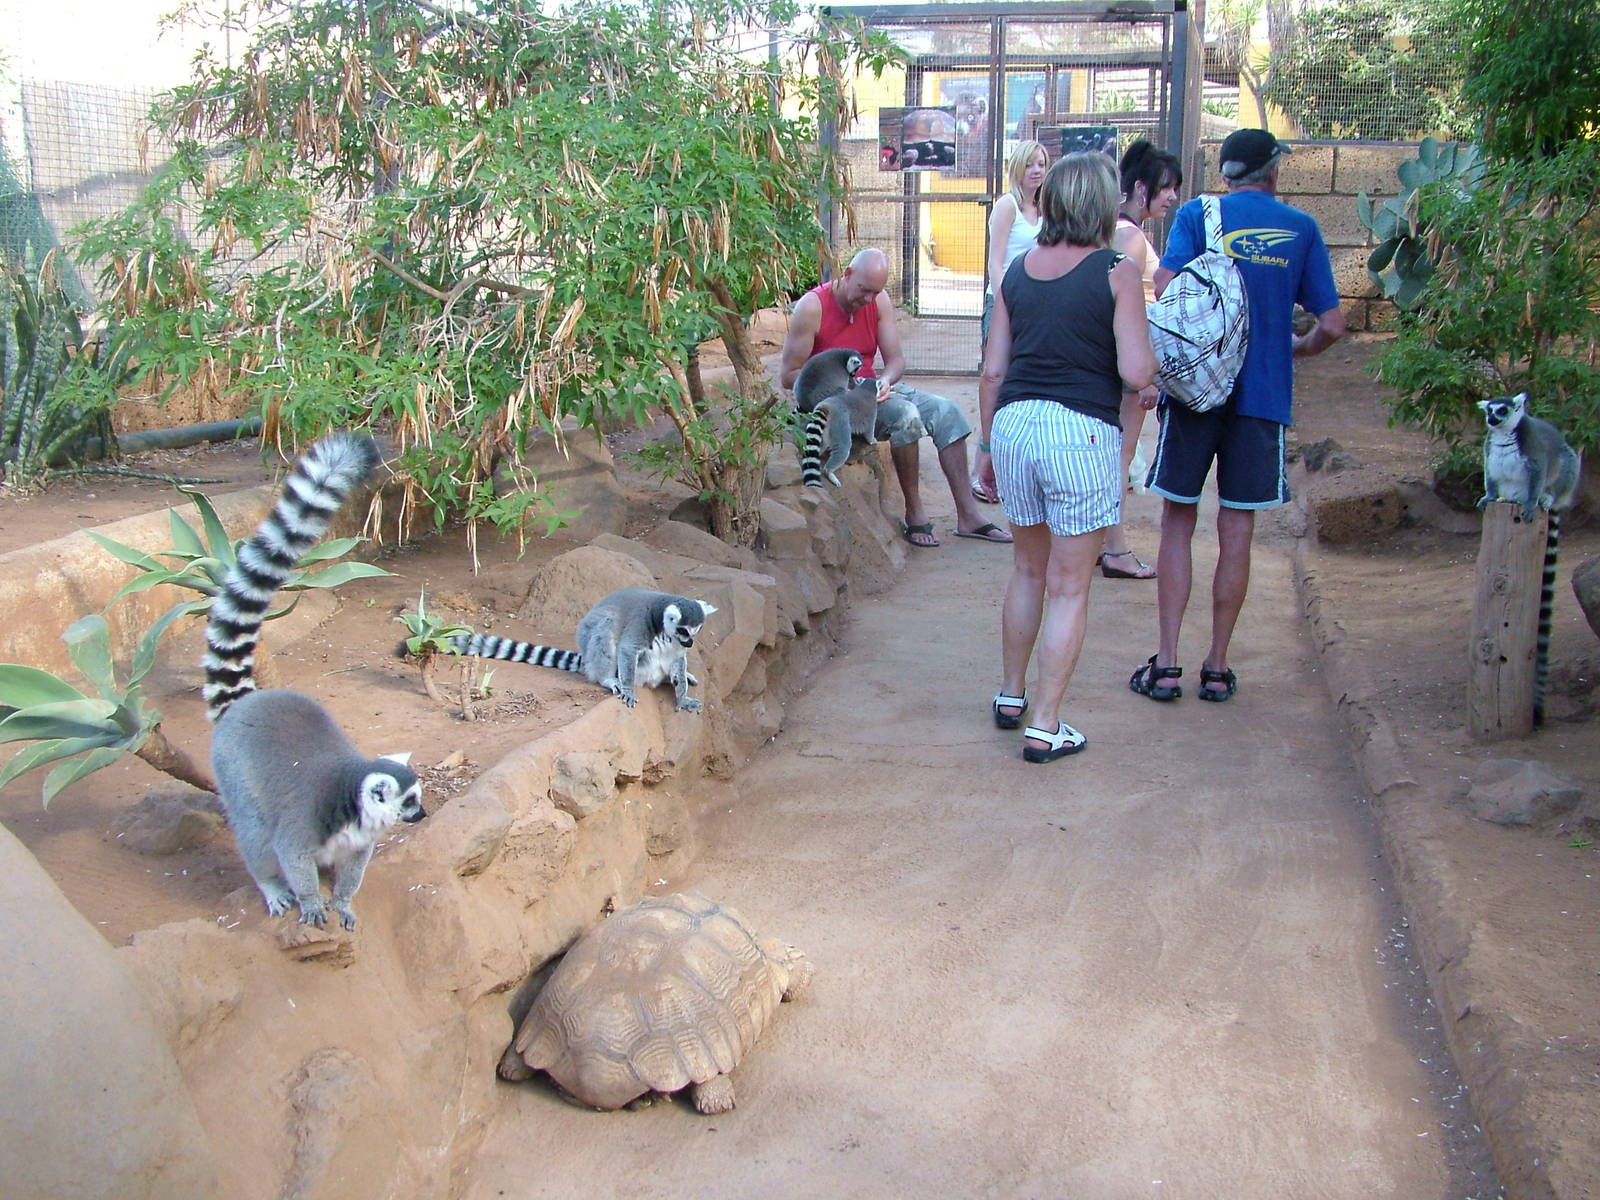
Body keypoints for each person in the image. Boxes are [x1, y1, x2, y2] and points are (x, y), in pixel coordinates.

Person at [1130, 128, 1345, 704]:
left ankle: (1168, 663)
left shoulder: (1198, 215)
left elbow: (1168, 284)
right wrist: (1290, 349)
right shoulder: (1301, 229)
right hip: (1262, 398)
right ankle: (1218, 666)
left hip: (1198, 394)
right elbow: (1332, 324)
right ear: (1273, 170)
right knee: (1237, 528)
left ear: (1225, 172)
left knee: (1178, 519)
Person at [975, 152, 1157, 762]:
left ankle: (1009, 694)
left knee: (1027, 570)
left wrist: (987, 448)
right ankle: (1046, 724)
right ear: (1104, 206)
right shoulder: (1117, 271)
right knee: (1069, 585)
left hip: (1017, 425)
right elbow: (1135, 370)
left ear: (1051, 201)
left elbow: (993, 369)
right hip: (1080, 432)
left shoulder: (1018, 273)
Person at [779, 248, 1011, 547]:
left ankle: (968, 515)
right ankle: (915, 512)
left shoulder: (878, 302)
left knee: (948, 412)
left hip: (870, 390)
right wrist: (838, 388)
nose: (868, 299)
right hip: (839, 403)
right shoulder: (813, 307)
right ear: (847, 275)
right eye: (863, 290)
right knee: (906, 417)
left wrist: (885, 381)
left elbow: (896, 362)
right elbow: (789, 375)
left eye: (874, 292)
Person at [1099, 139, 1184, 580]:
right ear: (1139, 186)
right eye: (1166, 187)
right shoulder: (1129, 237)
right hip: (1122, 365)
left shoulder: (1114, 228)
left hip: (1107, 361)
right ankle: (1115, 549)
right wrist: (1143, 376)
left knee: (1110, 453)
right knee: (1120, 454)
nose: (1172, 197)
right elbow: (1123, 311)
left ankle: (1102, 542)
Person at [972, 139, 1048, 504]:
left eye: (1042, 164)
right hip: (1004, 301)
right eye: (1031, 163)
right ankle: (982, 464)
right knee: (994, 377)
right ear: (1018, 166)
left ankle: (1014, 471)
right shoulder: (1007, 206)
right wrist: (1005, 302)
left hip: (1039, 305)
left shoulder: (1047, 209)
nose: (1037, 170)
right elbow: (996, 261)